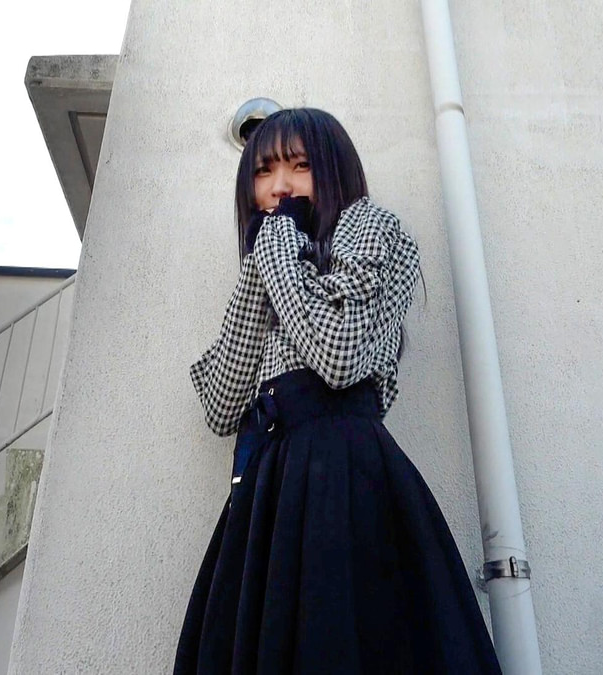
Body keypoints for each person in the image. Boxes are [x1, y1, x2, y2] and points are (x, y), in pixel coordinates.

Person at [175, 108, 501, 674]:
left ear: (334, 170)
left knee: (346, 631)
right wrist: (266, 260)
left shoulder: (368, 226)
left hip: (344, 466)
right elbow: (222, 404)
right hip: (271, 483)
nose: (280, 186)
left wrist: (276, 244)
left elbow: (338, 358)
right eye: (263, 172)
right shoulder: (277, 256)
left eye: (300, 167)